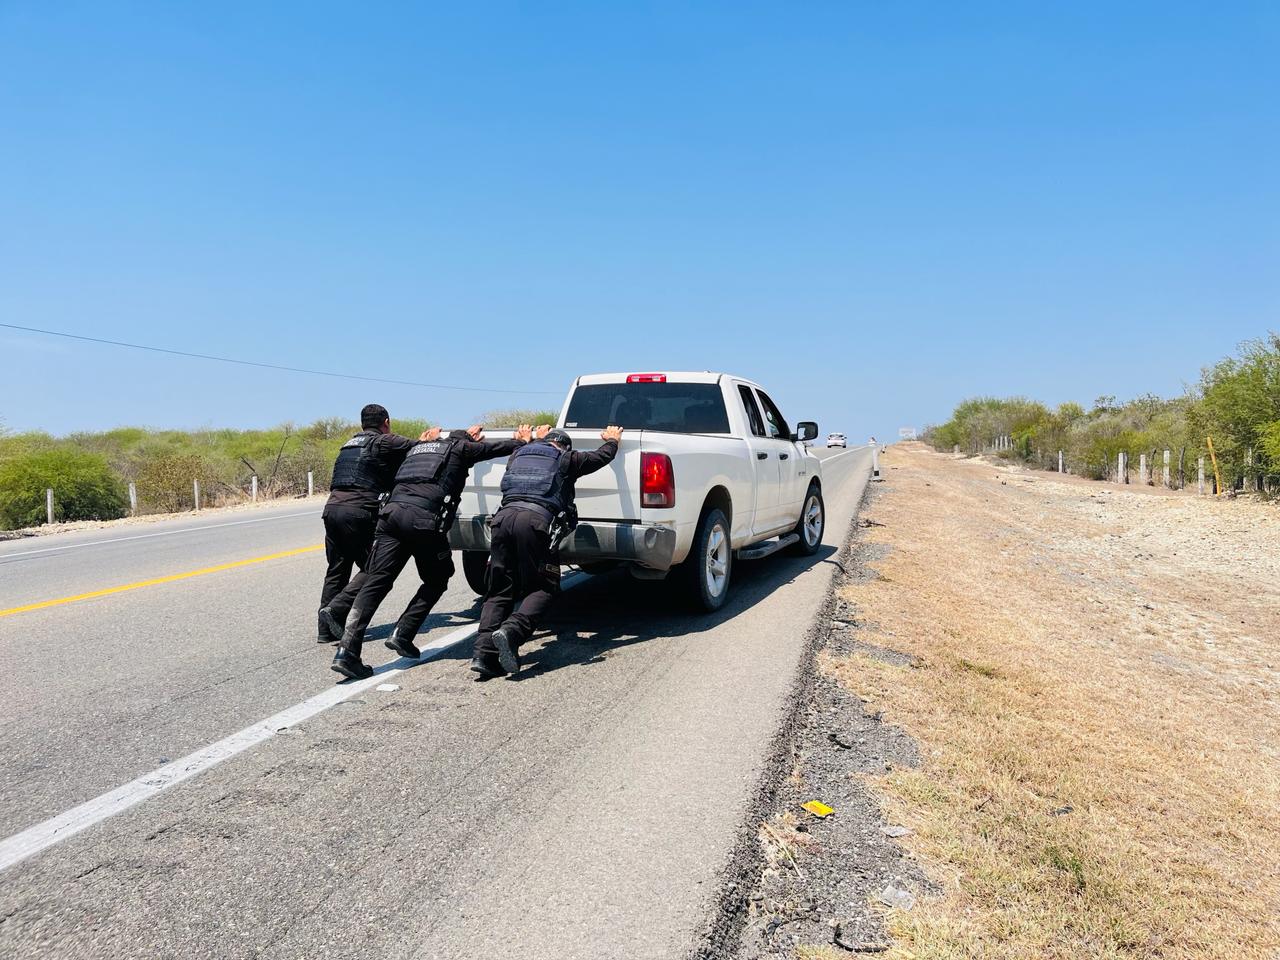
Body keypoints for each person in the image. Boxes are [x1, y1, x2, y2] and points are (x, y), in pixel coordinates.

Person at [330, 422, 544, 680]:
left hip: (390, 516)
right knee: (438, 577)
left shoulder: (418, 449)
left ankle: (346, 652)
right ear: (469, 441)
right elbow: (497, 448)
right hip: (423, 520)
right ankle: (404, 631)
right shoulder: (461, 448)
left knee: (376, 581)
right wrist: (525, 440)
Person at [470, 425, 624, 680]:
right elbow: (601, 457)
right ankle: (512, 631)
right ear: (564, 446)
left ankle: (483, 655)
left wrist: (529, 439)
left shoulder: (518, 454)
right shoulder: (567, 458)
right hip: (535, 522)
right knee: (544, 587)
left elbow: (524, 448)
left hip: (501, 520)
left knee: (499, 590)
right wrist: (613, 441)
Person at [317, 404, 425, 644]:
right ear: (386, 421)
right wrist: (429, 439)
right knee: (376, 568)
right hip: (359, 512)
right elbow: (418, 448)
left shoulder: (349, 444)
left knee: (337, 568)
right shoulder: (383, 442)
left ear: (362, 423)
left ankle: (326, 630)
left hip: (332, 508)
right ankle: (336, 610)